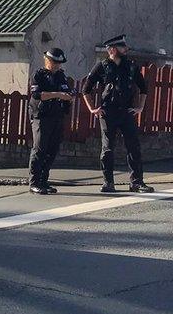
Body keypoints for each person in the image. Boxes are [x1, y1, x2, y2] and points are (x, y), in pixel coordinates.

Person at [81, 35, 155, 193]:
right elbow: (86, 89)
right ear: (113, 50)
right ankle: (108, 182)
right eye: (122, 47)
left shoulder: (131, 66)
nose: (126, 49)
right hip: (108, 112)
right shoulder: (102, 66)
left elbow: (143, 88)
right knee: (108, 148)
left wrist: (140, 107)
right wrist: (92, 108)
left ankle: (136, 182)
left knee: (133, 146)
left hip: (126, 112)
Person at [28, 48, 73, 194]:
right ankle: (34, 182)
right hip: (41, 116)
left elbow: (68, 92)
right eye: (54, 62)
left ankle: (43, 181)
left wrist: (68, 96)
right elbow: (36, 94)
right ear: (47, 60)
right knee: (40, 148)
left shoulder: (61, 76)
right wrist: (57, 94)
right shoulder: (38, 75)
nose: (57, 66)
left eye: (59, 63)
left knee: (52, 150)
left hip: (57, 116)